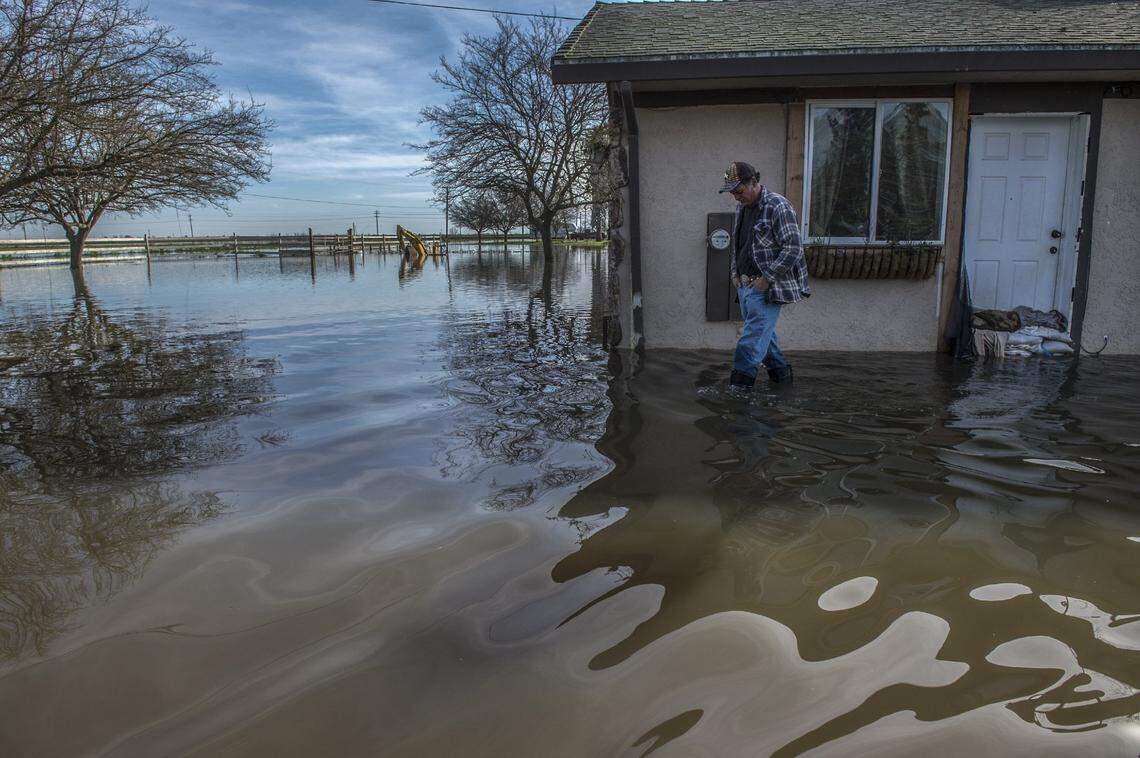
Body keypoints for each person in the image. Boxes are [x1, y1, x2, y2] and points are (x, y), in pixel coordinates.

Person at [718, 161, 810, 389]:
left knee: (749, 343)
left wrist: (766, 279)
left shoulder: (778, 206)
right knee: (767, 343)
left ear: (754, 182)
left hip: (766, 288)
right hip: (745, 286)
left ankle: (737, 393)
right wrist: (735, 274)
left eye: (738, 191)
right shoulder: (742, 208)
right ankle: (783, 384)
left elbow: (794, 249)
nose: (736, 197)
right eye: (732, 192)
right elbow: (738, 244)